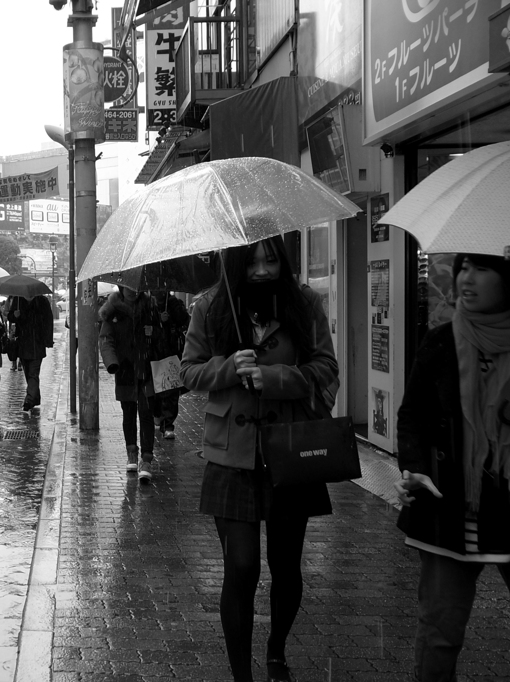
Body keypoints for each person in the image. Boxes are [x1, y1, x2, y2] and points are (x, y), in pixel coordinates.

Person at [180, 236, 339, 682]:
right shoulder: (211, 306)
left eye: (271, 260)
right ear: (236, 264)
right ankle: (241, 676)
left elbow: (326, 368)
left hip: (288, 451)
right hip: (232, 454)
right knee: (242, 567)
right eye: (252, 263)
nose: (263, 271)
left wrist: (273, 378)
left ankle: (276, 652)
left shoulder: (303, 302)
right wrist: (229, 367)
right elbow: (189, 371)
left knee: (285, 568)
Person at [394, 253, 510, 681]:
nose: (466, 278)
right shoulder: (441, 341)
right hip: (450, 510)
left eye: (481, 269)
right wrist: (414, 468)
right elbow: (413, 416)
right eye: (463, 268)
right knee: (439, 639)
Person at [99, 285, 165, 481]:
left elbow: (161, 338)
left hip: (147, 370)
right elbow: (106, 339)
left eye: (135, 287)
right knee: (128, 413)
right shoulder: (113, 311)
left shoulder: (150, 308)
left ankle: (147, 459)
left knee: (146, 413)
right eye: (127, 287)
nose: (132, 290)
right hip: (125, 370)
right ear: (121, 287)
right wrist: (112, 362)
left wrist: (154, 331)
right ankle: (131, 454)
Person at [151, 290, 191, 440]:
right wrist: (159, 321)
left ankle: (168, 425)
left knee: (172, 390)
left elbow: (184, 321)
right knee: (157, 389)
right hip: (154, 354)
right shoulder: (148, 305)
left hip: (172, 353)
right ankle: (157, 414)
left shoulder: (174, 304)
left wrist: (172, 315)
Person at [8, 294, 54, 412]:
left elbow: (49, 320)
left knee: (33, 373)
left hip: (37, 343)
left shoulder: (42, 301)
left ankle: (29, 400)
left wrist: (48, 340)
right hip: (23, 343)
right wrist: (14, 316)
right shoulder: (18, 299)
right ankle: (35, 398)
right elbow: (10, 317)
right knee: (28, 373)